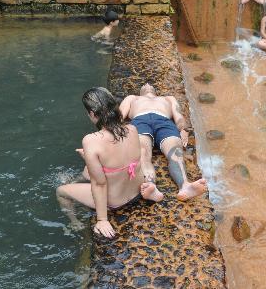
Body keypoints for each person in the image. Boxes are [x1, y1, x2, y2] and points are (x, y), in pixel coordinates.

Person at [56, 87, 163, 238]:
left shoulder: (91, 140)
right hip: (137, 191)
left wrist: (102, 220)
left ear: (92, 114)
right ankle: (151, 186)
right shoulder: (132, 129)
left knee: (61, 191)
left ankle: (74, 222)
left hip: (116, 201)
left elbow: (99, 184)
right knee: (92, 169)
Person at [119, 84, 207, 201]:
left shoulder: (168, 98)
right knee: (142, 151)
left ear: (156, 91)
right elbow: (119, 115)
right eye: (144, 84)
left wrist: (183, 129)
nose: (147, 84)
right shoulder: (133, 98)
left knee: (176, 151)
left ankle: (185, 186)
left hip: (164, 121)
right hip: (140, 120)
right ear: (140, 91)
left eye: (150, 84)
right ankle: (150, 186)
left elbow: (178, 116)